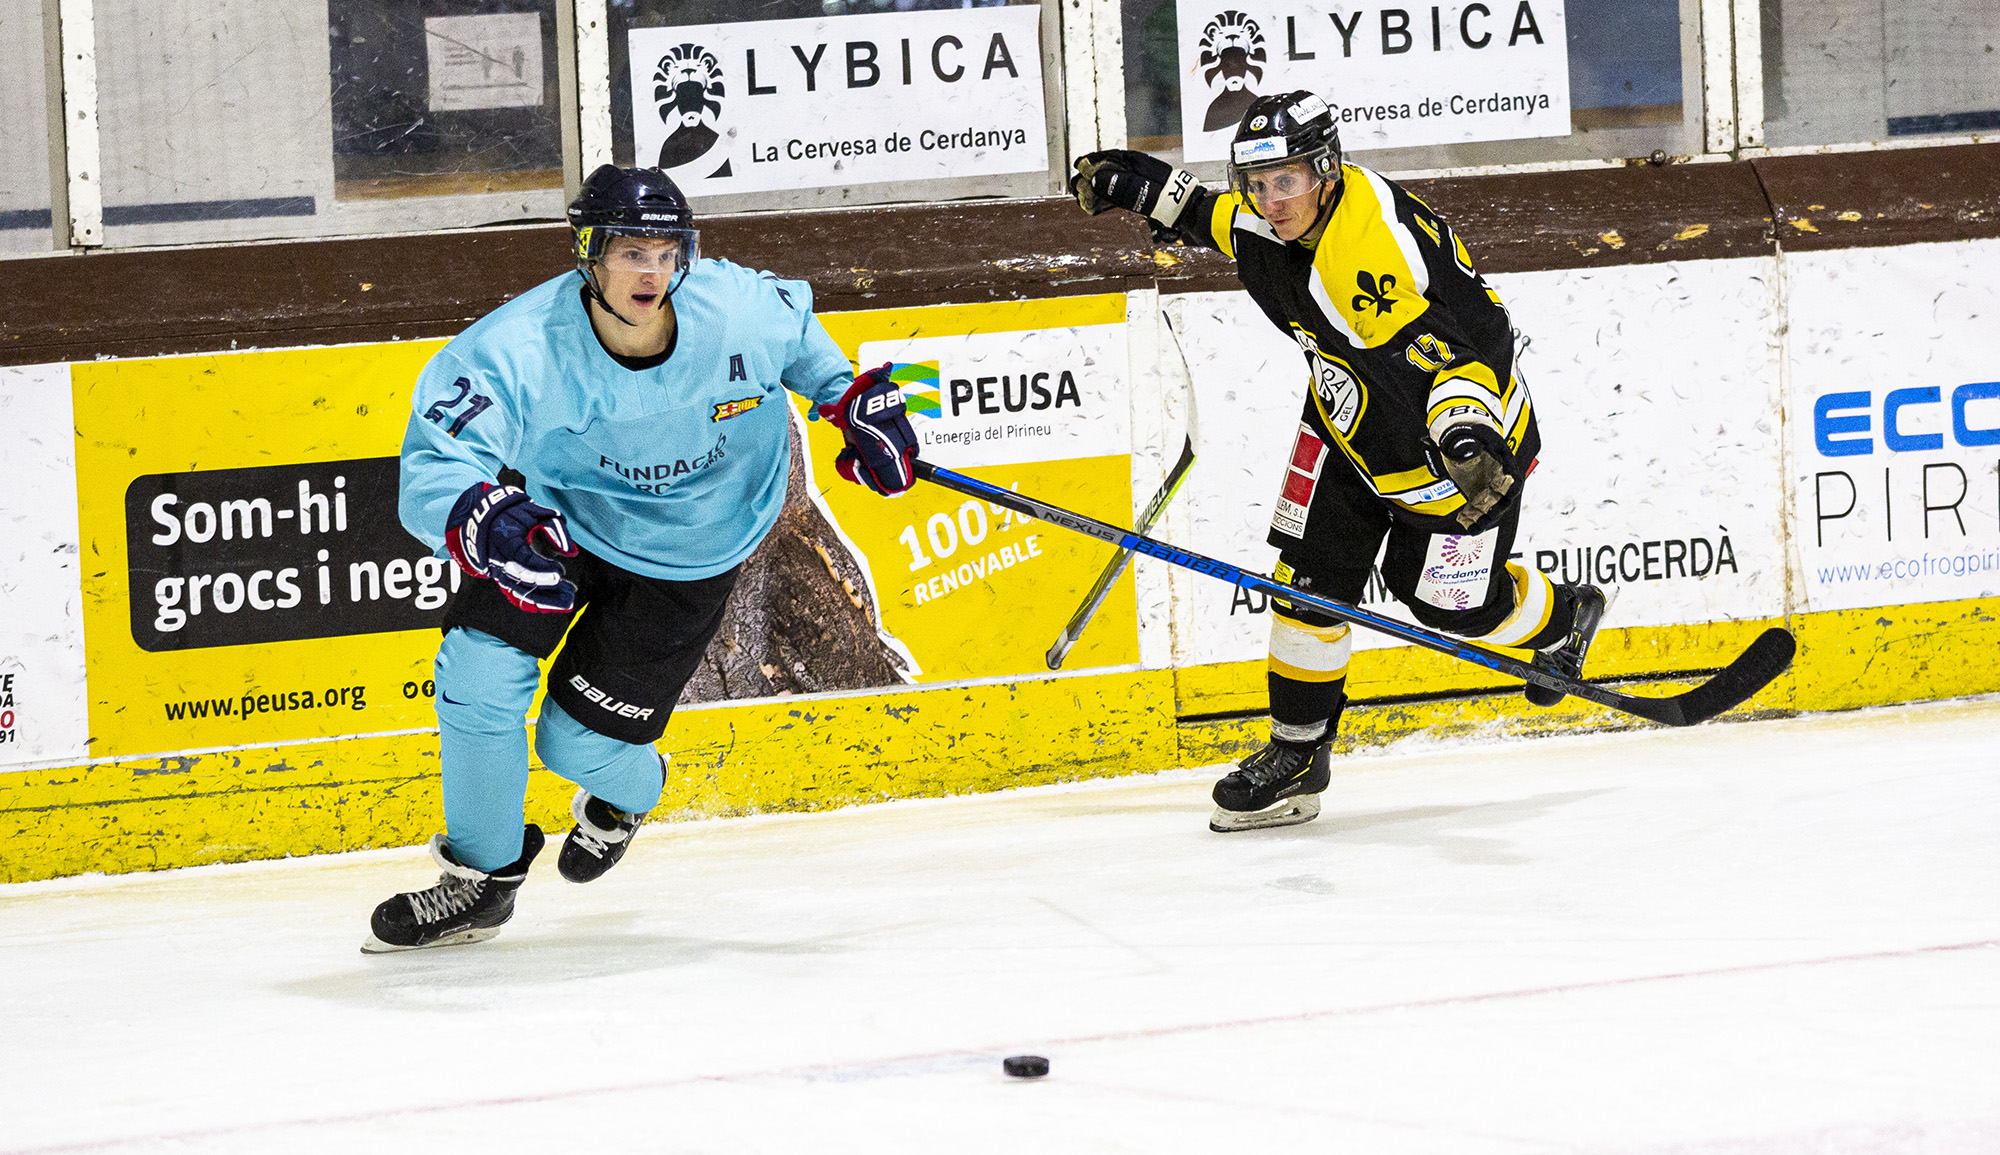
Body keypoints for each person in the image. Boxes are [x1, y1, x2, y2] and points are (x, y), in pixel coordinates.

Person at [366, 164, 917, 952]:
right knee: (477, 670)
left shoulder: (735, 310)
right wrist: (480, 517)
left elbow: (802, 339)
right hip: (565, 521)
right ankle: (480, 883)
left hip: (692, 549)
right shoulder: (519, 346)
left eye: (666, 251)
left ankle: (629, 797)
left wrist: (849, 395)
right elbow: (435, 461)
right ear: (588, 254)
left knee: (572, 744)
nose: (651, 271)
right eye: (630, 251)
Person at [1069, 91, 1604, 833]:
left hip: (1453, 453)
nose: (1269, 199)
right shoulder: (1280, 216)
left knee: (1447, 604)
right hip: (1347, 425)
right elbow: (1211, 217)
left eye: (1285, 181)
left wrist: (1468, 441)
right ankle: (1297, 754)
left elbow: (1449, 361)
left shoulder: (1363, 258)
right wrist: (1140, 187)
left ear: (1325, 170)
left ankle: (1563, 616)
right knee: (1306, 587)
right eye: (1259, 182)